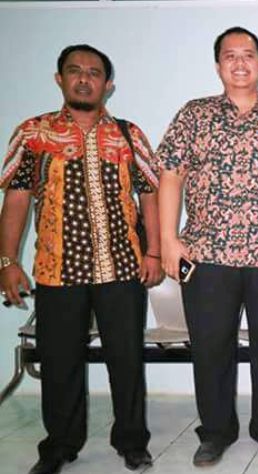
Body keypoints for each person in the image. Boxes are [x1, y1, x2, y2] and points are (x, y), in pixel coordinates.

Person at [155, 26, 258, 466]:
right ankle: (216, 431)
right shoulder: (194, 115)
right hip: (206, 255)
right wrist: (168, 239)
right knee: (210, 348)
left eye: (248, 55)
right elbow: (170, 175)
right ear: (217, 65)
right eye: (230, 55)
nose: (240, 63)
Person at [0, 44, 162, 474]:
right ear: (60, 79)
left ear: (108, 84)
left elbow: (149, 194)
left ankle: (132, 442)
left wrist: (154, 251)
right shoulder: (33, 134)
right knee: (59, 364)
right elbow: (16, 199)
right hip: (57, 270)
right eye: (75, 71)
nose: (84, 79)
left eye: (94, 73)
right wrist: (7, 262)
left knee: (126, 360)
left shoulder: (128, 135)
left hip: (121, 267)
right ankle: (59, 447)